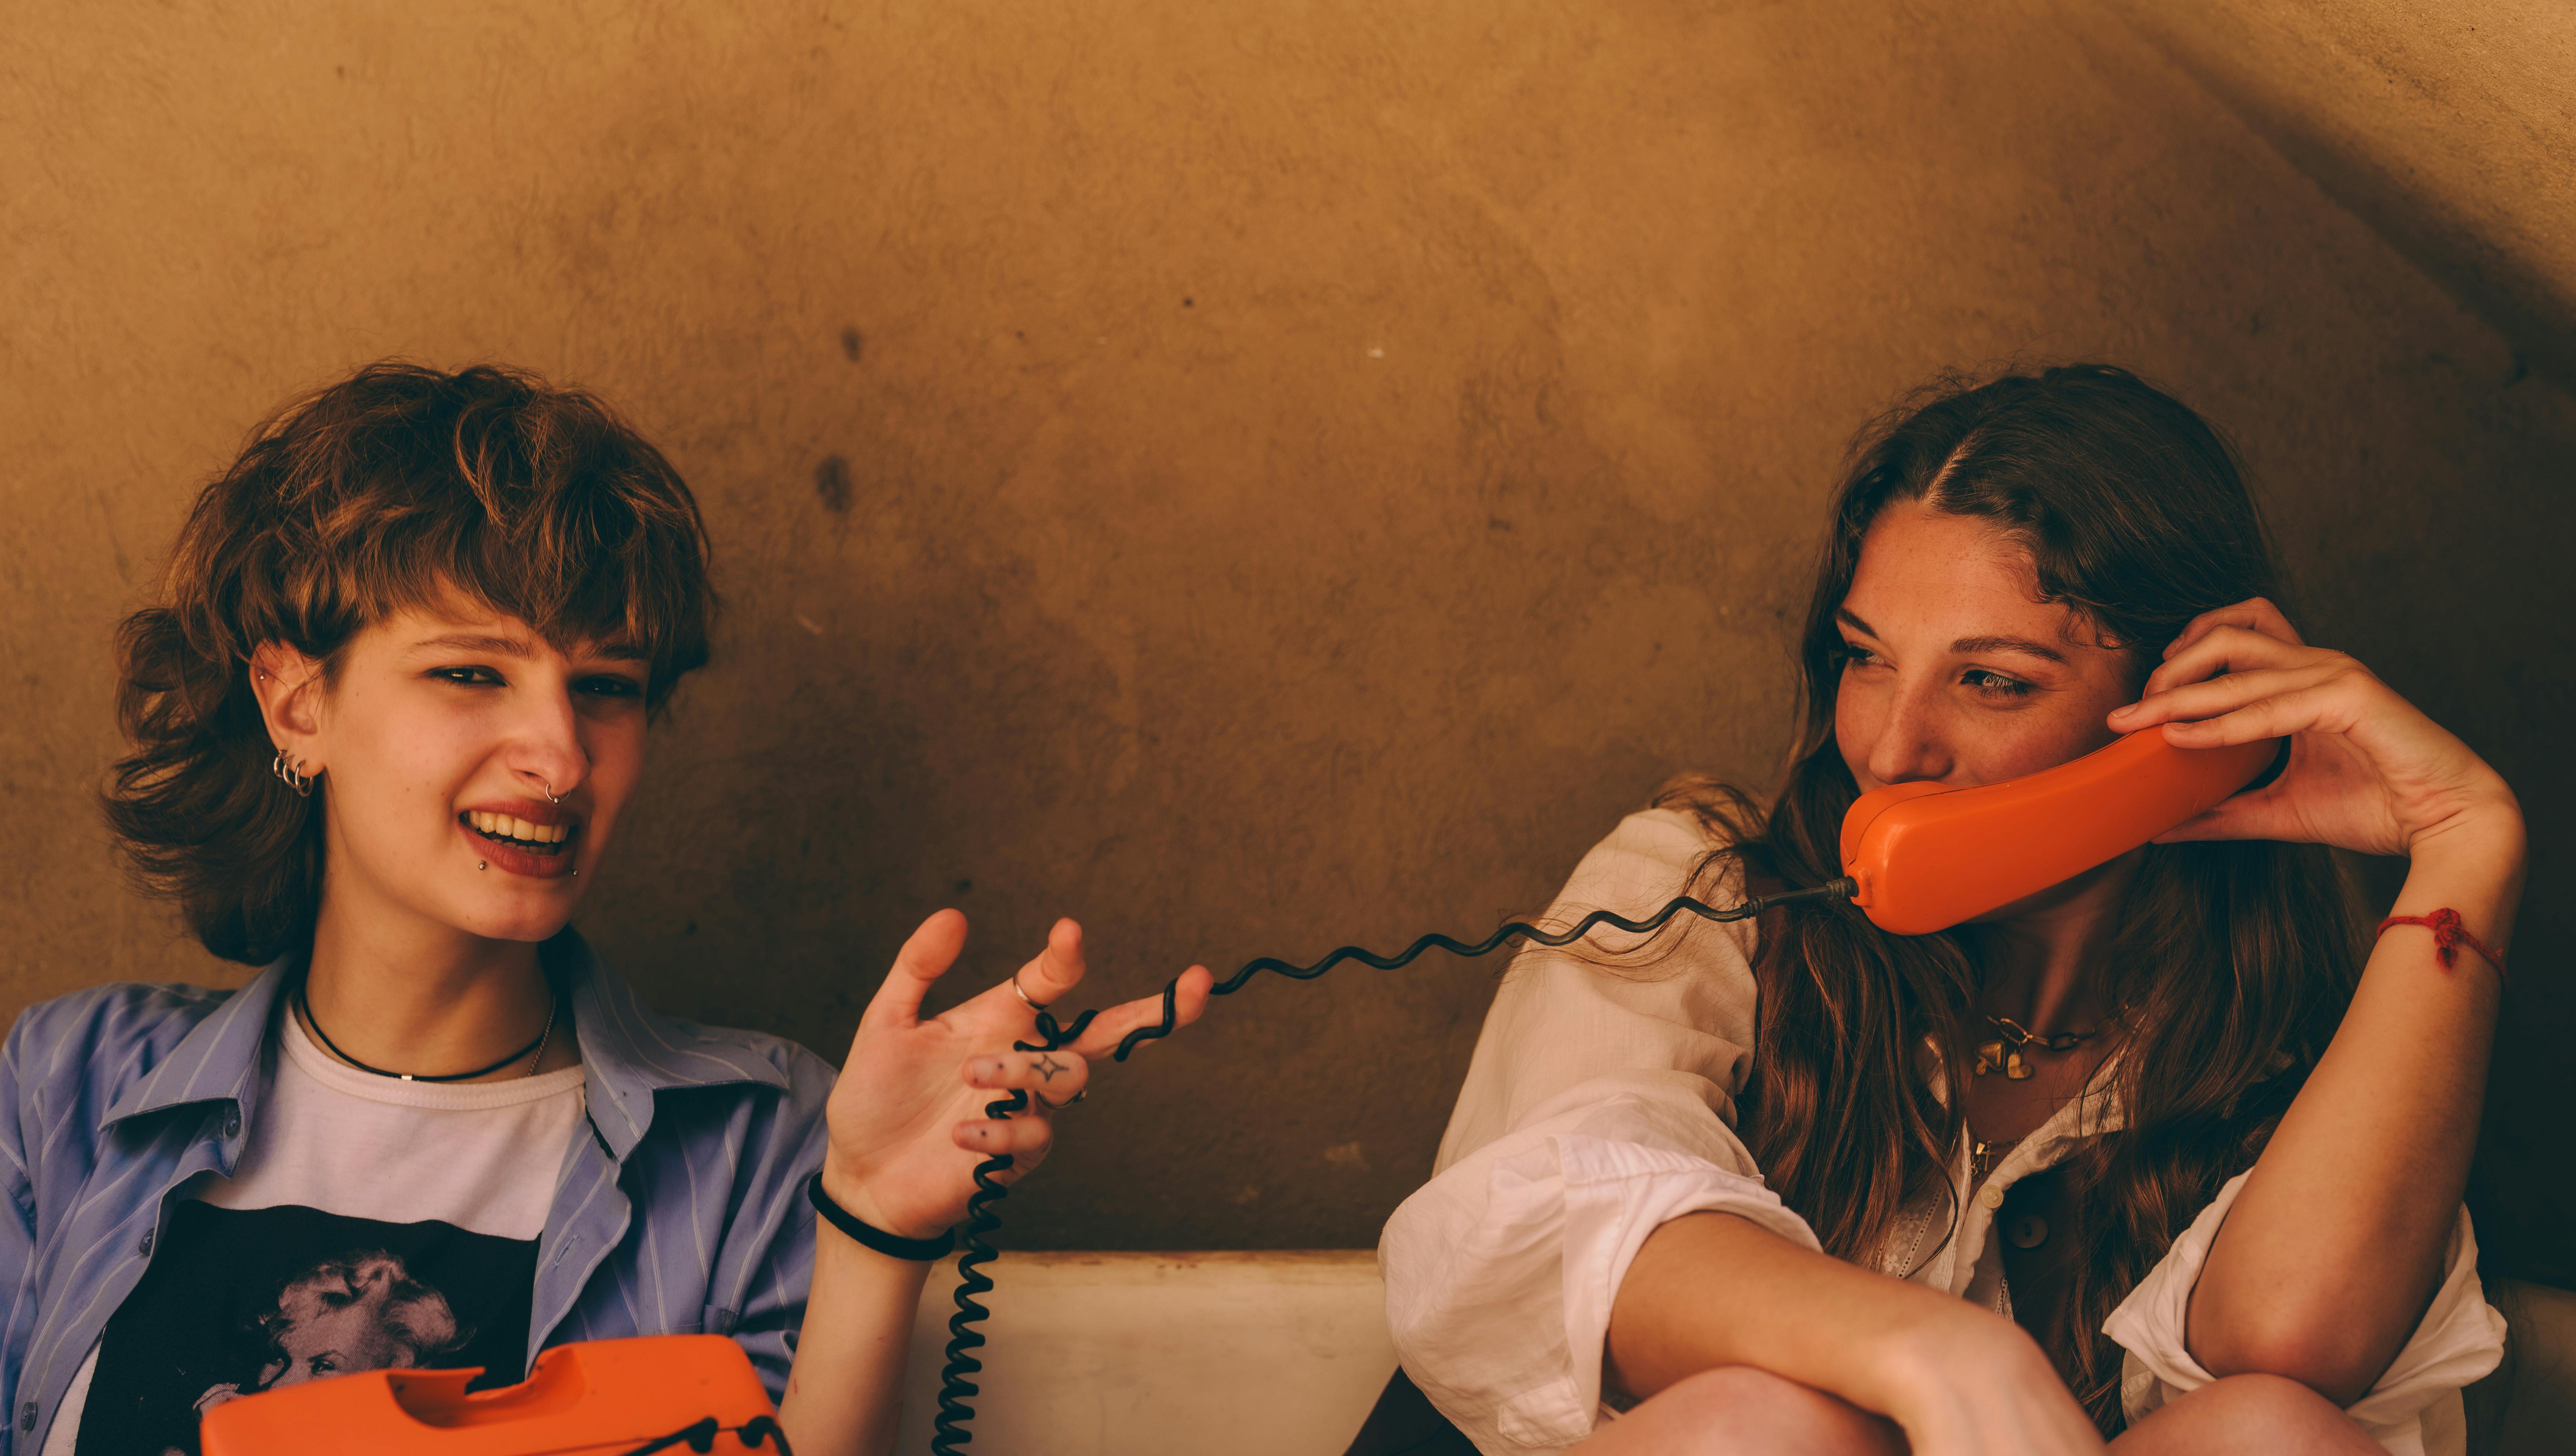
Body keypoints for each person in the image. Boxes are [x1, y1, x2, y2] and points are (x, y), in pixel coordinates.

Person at [0, 361, 1213, 1456]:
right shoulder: (69, 1086)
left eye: (606, 687)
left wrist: (875, 1226)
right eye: (472, 671)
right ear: (296, 702)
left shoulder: (763, 1141)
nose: (563, 756)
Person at [1379, 366, 2518, 1455]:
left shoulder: (2294, 1039)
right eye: (1865, 658)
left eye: (1992, 680)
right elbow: (1566, 1231)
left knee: (2273, 1437)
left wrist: (2467, 845)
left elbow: (2294, 1342)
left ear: (2187, 708)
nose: (1886, 746)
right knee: (1775, 1429)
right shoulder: (1700, 888)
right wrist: (1946, 1358)